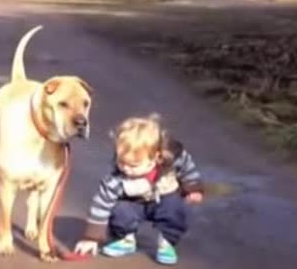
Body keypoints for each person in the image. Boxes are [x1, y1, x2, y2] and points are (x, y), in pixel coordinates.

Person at [74, 113, 204, 265]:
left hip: (164, 196)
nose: (126, 169)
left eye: (133, 165)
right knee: (119, 210)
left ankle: (167, 242)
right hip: (133, 202)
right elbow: (101, 205)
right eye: (122, 162)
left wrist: (193, 188)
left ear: (156, 158)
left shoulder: (171, 157)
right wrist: (91, 238)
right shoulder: (116, 179)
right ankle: (125, 239)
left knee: (175, 209)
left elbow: (187, 168)